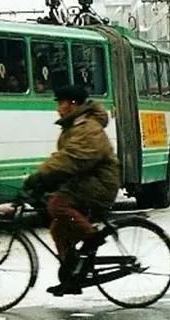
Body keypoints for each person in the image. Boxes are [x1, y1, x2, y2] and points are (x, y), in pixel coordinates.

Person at [23, 85, 120, 297]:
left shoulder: (88, 128)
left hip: (100, 184)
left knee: (57, 204)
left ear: (73, 104)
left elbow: (71, 159)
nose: (58, 109)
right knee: (58, 228)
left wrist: (41, 175)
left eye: (61, 103)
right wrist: (46, 182)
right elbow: (66, 161)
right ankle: (72, 277)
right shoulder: (75, 126)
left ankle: (92, 236)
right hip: (86, 182)